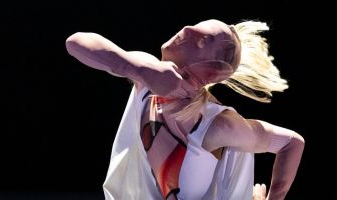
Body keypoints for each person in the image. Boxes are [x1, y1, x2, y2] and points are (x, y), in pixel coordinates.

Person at [66, 19, 304, 200]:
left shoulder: (217, 125)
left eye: (204, 40)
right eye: (196, 26)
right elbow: (75, 42)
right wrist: (136, 69)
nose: (187, 29)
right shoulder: (145, 73)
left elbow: (292, 143)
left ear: (212, 73)